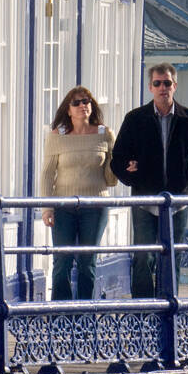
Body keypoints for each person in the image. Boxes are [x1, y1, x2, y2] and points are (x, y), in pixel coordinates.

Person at [111, 63, 188, 297]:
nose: (162, 88)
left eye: (167, 83)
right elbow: (116, 159)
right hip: (144, 200)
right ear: (150, 87)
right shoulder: (135, 119)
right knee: (143, 255)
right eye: (157, 83)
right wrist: (130, 175)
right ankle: (144, 310)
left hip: (178, 202)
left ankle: (169, 305)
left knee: (172, 256)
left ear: (175, 86)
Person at [40, 86, 117, 301]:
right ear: (68, 110)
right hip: (63, 206)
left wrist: (120, 165)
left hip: (95, 206)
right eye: (77, 103)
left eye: (86, 101)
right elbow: (47, 174)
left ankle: (84, 313)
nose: (83, 105)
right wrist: (47, 208)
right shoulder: (57, 136)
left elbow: (111, 178)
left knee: (87, 261)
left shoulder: (105, 134)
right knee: (62, 261)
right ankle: (60, 314)